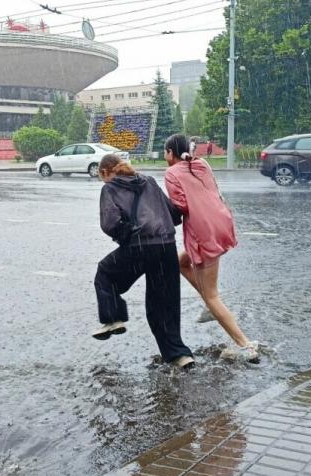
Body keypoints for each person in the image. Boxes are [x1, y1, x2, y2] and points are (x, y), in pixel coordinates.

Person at [93, 154, 195, 369]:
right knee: (164, 304)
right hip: (166, 247)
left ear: (105, 172)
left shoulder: (109, 188)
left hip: (139, 247)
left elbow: (110, 223)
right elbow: (174, 214)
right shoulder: (148, 181)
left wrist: (125, 234)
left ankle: (113, 319)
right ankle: (180, 356)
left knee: (105, 272)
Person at [164, 134, 259, 362]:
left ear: (170, 152)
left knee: (213, 294)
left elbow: (181, 207)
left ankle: (245, 346)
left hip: (202, 230)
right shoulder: (202, 163)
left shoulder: (171, 173)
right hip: (220, 222)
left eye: (165, 151)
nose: (164, 155)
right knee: (180, 262)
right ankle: (209, 304)